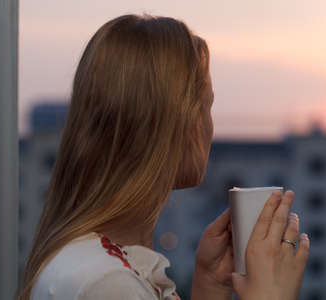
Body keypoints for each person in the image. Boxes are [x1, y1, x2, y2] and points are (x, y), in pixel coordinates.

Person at [17, 14, 310, 300]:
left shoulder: (95, 263)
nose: (210, 126)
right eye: (207, 106)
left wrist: (209, 289)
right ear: (179, 123)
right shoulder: (108, 284)